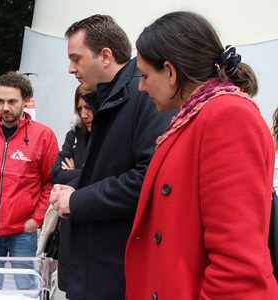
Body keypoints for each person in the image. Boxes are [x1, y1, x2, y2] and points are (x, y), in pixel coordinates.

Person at [124, 11, 278, 299]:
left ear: (170, 72)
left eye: (145, 75)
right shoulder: (198, 116)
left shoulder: (228, 116)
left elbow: (237, 267)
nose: (141, 87)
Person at [48, 15, 174, 299]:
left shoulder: (143, 95)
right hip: (101, 262)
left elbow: (148, 178)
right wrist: (76, 185)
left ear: (105, 56)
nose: (71, 69)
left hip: (117, 266)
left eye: (76, 58)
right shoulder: (109, 96)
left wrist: (77, 199)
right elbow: (109, 170)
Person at [0, 71, 59, 289]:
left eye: (12, 101)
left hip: (22, 232)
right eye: (1, 101)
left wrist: (37, 219)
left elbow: (50, 182)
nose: (5, 107)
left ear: (26, 100)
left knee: (26, 287)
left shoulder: (44, 136)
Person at [42, 85, 92, 292]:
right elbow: (56, 174)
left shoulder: (108, 135)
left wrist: (77, 171)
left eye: (88, 107)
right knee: (71, 286)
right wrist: (85, 172)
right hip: (69, 224)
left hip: (92, 220)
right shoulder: (75, 134)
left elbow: (107, 174)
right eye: (79, 108)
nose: (84, 114)